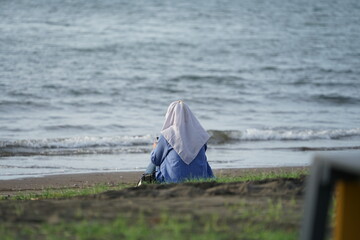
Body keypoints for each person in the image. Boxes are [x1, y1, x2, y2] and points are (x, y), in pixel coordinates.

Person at [139, 100, 214, 184]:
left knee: (158, 157)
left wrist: (155, 148)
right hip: (201, 179)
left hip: (172, 181)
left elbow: (155, 160)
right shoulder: (200, 134)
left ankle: (144, 181)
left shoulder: (167, 134)